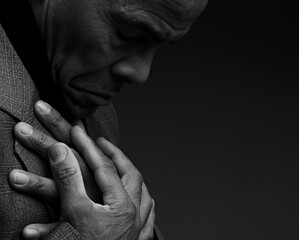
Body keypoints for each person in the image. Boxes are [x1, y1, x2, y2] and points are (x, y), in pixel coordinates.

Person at [0, 0, 207, 239]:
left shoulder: (98, 111)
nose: (142, 73)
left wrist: (136, 228)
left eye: (159, 45)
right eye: (128, 33)